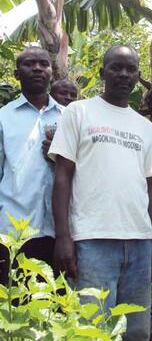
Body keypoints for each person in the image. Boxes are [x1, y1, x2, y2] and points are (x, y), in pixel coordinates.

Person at [48, 45, 152, 341]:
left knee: (136, 331)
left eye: (131, 69)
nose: (124, 74)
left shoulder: (144, 126)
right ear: (103, 72)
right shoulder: (79, 111)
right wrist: (63, 237)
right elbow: (62, 176)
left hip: (139, 243)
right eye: (116, 67)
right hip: (92, 240)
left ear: (139, 76)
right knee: (92, 330)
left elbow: (151, 191)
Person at [0, 47, 63, 283]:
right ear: (16, 74)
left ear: (51, 72)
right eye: (29, 64)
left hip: (60, 234)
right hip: (15, 233)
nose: (37, 68)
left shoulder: (69, 117)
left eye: (43, 64)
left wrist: (59, 157)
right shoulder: (3, 118)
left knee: (57, 310)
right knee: (15, 307)